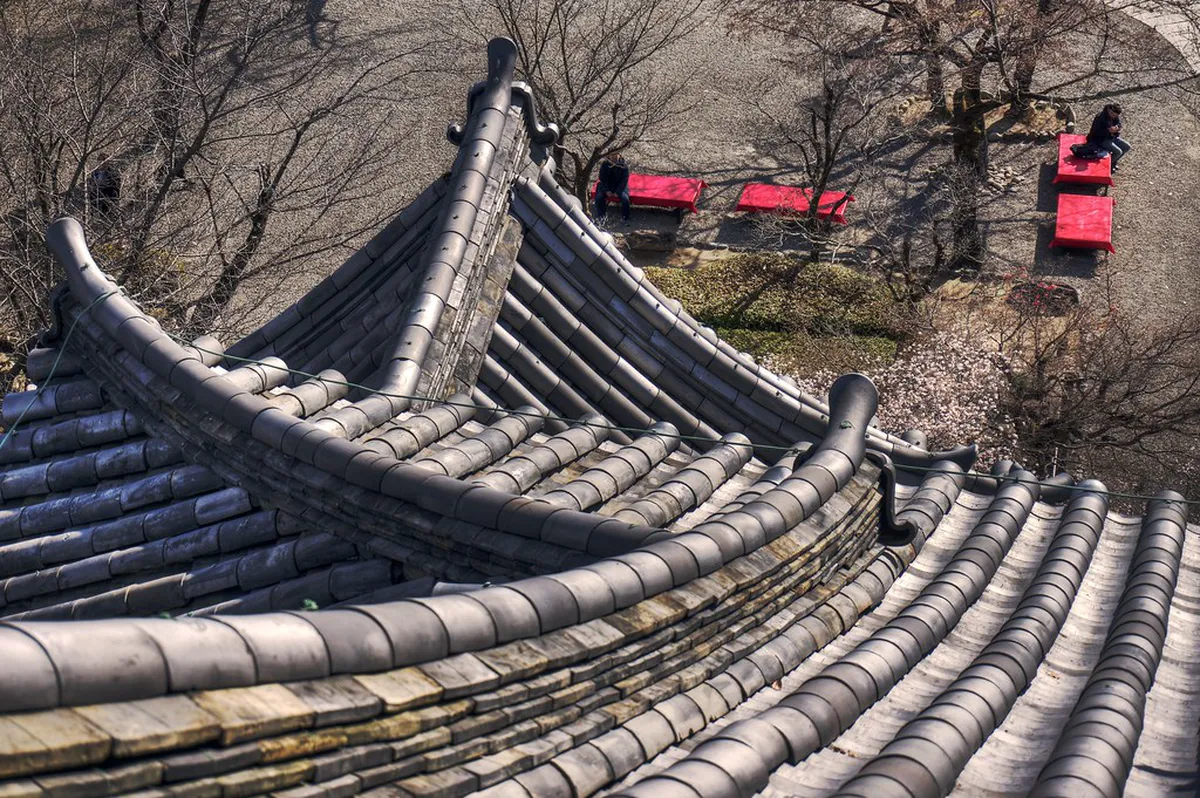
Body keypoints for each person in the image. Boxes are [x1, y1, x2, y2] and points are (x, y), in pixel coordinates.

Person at [1086, 103, 1131, 173]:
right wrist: (1108, 130)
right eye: (1113, 115)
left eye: (1115, 116)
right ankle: (1106, 166)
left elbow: (1119, 124)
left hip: (1112, 136)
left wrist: (1117, 127)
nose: (1114, 117)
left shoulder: (1114, 116)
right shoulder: (1100, 117)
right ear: (1109, 111)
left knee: (1127, 146)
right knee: (1118, 152)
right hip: (1100, 139)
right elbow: (1095, 132)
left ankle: (1113, 161)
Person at [594, 151, 631, 226]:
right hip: (606, 186)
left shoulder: (623, 165)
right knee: (599, 198)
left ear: (619, 155)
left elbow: (624, 180)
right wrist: (606, 190)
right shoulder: (605, 164)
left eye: (615, 155)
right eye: (612, 155)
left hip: (619, 186)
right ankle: (601, 217)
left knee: (625, 199)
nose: (613, 157)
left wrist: (618, 192)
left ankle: (625, 218)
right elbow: (602, 178)